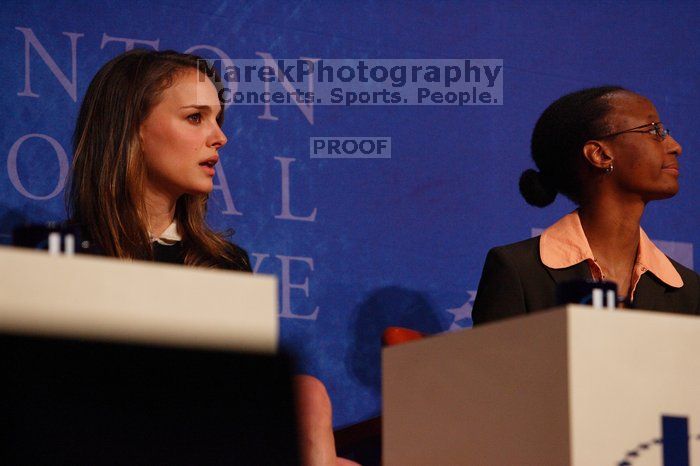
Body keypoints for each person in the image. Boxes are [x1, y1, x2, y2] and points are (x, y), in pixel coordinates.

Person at [472, 86, 700, 325]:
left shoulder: (687, 289)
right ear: (600, 155)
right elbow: (494, 362)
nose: (676, 146)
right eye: (655, 131)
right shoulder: (518, 270)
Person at [68, 49, 250, 271]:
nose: (220, 138)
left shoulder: (227, 266)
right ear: (133, 128)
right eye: (195, 117)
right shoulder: (61, 257)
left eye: (217, 119)